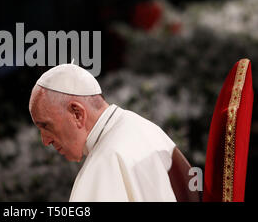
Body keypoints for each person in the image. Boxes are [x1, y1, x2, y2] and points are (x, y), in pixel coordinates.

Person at [28, 63, 199, 201]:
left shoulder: (105, 162)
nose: (45, 141)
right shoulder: (147, 129)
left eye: (46, 126)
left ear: (77, 113)